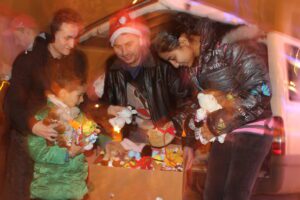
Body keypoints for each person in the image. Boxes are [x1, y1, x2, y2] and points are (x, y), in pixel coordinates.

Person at [153, 13, 273, 200]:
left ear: (183, 41)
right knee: (212, 194)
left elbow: (261, 90)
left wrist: (215, 125)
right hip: (223, 132)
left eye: (173, 58)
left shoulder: (230, 45)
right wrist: (177, 128)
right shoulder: (197, 65)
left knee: (234, 194)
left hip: (252, 131)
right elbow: (198, 105)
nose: (175, 65)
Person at [89, 11, 195, 165]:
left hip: (168, 138)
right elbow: (101, 105)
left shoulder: (164, 63)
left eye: (129, 44)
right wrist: (107, 109)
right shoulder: (113, 68)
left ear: (141, 40)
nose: (124, 52)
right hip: (132, 140)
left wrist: (189, 144)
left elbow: (186, 102)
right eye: (118, 46)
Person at [3, 8, 87, 200]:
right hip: (27, 140)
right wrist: (33, 125)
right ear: (53, 34)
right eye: (67, 38)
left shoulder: (76, 61)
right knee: (23, 191)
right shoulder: (28, 60)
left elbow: (80, 98)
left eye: (75, 38)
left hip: (60, 141)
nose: (72, 44)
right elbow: (13, 103)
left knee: (58, 190)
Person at [28, 62, 93, 200]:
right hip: (50, 190)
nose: (82, 100)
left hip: (74, 188)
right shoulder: (44, 118)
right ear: (63, 93)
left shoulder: (77, 115)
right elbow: (37, 150)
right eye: (79, 95)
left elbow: (86, 129)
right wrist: (67, 153)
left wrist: (90, 134)